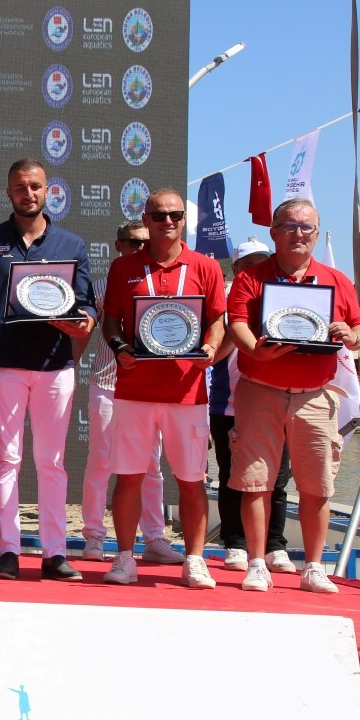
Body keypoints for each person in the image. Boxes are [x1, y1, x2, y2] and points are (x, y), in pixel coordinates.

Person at [225, 197, 360, 594]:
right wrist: (255, 350)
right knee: (255, 482)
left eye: (306, 227)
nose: (298, 233)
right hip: (260, 390)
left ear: (317, 233)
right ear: (274, 232)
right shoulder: (251, 277)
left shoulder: (336, 279)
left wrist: (353, 336)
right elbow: (237, 323)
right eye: (289, 226)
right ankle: (257, 563)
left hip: (316, 395)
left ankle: (315, 567)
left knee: (318, 485)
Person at [0, 158, 97, 581]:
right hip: (1, 364)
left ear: (48, 190)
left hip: (54, 365)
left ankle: (54, 552)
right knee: (5, 460)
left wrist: (84, 322)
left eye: (36, 186)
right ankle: (7, 550)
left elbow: (86, 306)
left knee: (52, 463)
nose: (28, 194)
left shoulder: (71, 244)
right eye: (20, 187)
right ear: (9, 192)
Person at [98, 189, 227, 588]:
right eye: (158, 215)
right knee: (128, 477)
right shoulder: (124, 267)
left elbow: (217, 321)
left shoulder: (206, 266)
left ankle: (195, 560)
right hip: (134, 389)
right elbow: (111, 320)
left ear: (184, 219)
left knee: (191, 480)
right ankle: (124, 558)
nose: (167, 221)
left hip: (187, 392)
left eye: (175, 215)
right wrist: (119, 347)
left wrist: (210, 348)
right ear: (146, 219)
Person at [80, 220, 180, 564]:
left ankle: (154, 538)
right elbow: (83, 328)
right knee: (100, 463)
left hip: (147, 389)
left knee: (151, 467)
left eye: (145, 243)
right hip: (107, 384)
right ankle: (94, 536)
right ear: (118, 245)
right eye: (133, 242)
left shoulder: (159, 284)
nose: (140, 248)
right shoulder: (101, 286)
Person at [212, 239, 296, 573]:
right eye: (248, 264)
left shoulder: (283, 303)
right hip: (228, 404)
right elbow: (213, 354)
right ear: (236, 269)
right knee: (232, 477)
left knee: (277, 480)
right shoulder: (223, 304)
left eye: (262, 262)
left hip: (275, 400)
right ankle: (235, 543)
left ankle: (276, 546)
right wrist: (235, 331)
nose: (255, 269)